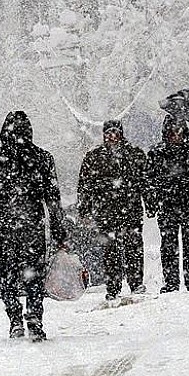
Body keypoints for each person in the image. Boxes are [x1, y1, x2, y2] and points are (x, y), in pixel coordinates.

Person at [0, 111, 66, 342]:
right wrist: (59, 229)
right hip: (31, 227)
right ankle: (34, 319)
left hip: (3, 227)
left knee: (8, 275)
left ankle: (15, 320)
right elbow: (52, 199)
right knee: (34, 277)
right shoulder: (42, 157)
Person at [77, 119, 149, 300]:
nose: (112, 136)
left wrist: (151, 203)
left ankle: (136, 283)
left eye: (115, 132)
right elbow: (85, 185)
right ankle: (113, 287)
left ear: (121, 133)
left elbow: (146, 181)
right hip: (106, 211)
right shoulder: (94, 157)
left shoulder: (134, 154)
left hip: (130, 209)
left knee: (134, 248)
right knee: (111, 251)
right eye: (108, 133)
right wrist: (84, 209)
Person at [146, 115, 189, 293]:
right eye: (171, 131)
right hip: (168, 206)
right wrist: (155, 199)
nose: (174, 135)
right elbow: (149, 180)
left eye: (177, 131)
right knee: (169, 246)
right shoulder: (157, 153)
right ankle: (171, 283)